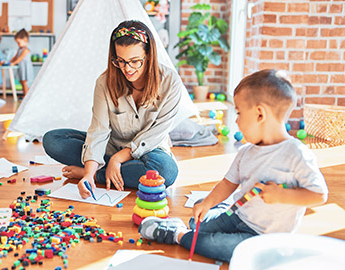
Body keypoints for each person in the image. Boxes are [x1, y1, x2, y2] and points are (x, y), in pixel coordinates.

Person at [139, 69, 329, 262]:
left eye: (238, 112)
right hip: (238, 216)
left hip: (264, 239)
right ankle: (214, 213)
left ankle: (176, 234)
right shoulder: (246, 152)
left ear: (260, 114)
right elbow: (228, 183)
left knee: (221, 248)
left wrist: (282, 196)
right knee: (197, 224)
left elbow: (319, 195)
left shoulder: (297, 154)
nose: (236, 120)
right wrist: (207, 203)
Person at [43, 20, 185, 198]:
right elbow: (99, 130)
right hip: (111, 145)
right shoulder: (104, 82)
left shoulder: (170, 82)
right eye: (121, 61)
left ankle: (102, 173)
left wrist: (117, 160)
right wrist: (88, 174)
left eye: (135, 61)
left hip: (149, 150)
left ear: (149, 55)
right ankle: (104, 169)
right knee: (53, 140)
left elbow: (155, 134)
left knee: (166, 171)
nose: (127, 69)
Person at [10, 28, 34, 98]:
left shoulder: (26, 50)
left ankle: (26, 96)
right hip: (21, 67)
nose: (18, 44)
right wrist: (10, 61)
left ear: (25, 40)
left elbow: (20, 58)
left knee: (24, 82)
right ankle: (25, 94)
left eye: (18, 42)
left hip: (25, 68)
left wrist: (13, 63)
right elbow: (15, 56)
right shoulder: (19, 49)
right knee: (22, 81)